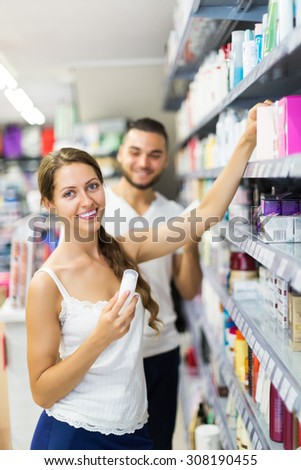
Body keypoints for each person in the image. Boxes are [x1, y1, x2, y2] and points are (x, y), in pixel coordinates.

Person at [25, 100, 271, 450]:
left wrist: (248, 138)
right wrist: (101, 337)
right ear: (49, 204)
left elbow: (205, 215)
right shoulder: (47, 283)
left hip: (135, 427)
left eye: (92, 186)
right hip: (74, 436)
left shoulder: (126, 247)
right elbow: (41, 391)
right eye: (69, 193)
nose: (87, 201)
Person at [102, 117, 203, 450]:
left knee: (159, 446)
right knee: (115, 448)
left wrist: (189, 244)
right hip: (111, 353)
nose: (144, 162)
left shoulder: (174, 212)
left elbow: (189, 290)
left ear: (166, 160)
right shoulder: (97, 208)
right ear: (120, 154)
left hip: (162, 348)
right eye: (135, 151)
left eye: (155, 154)